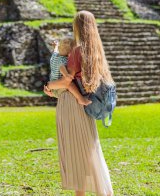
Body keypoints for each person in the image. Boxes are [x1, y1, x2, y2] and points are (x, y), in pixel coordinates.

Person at [44, 10, 114, 196]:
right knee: (89, 149)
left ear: (78, 27)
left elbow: (66, 81)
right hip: (85, 104)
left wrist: (49, 85)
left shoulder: (77, 50)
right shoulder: (95, 50)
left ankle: (95, 193)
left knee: (76, 151)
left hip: (72, 103)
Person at [46, 37, 92, 106]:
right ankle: (81, 99)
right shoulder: (64, 60)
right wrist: (66, 75)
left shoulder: (54, 55)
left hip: (53, 84)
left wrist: (56, 45)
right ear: (70, 53)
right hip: (58, 87)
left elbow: (56, 49)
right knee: (70, 85)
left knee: (68, 85)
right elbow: (61, 67)